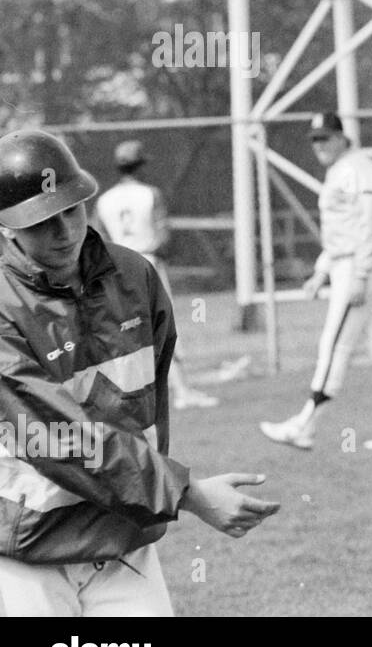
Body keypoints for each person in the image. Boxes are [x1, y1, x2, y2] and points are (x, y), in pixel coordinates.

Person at [0, 130, 279, 615]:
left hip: (123, 538)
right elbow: (53, 434)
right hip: (30, 551)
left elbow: (149, 404)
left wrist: (147, 497)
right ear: (6, 227)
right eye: (43, 222)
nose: (65, 232)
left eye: (72, 209)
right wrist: (184, 492)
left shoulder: (135, 276)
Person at [260, 112, 372, 451]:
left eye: (325, 137)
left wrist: (360, 274)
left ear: (341, 137)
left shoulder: (358, 168)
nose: (319, 144)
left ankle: (305, 425)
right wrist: (322, 269)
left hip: (363, 266)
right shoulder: (343, 169)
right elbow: (342, 230)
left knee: (335, 344)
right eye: (315, 139)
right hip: (355, 263)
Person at [95, 139, 219, 410]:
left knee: (125, 331)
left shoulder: (104, 200)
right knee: (163, 326)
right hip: (147, 264)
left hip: (116, 269)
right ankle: (182, 391)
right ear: (140, 166)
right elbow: (164, 237)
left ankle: (119, 398)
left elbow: (97, 242)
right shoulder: (151, 194)